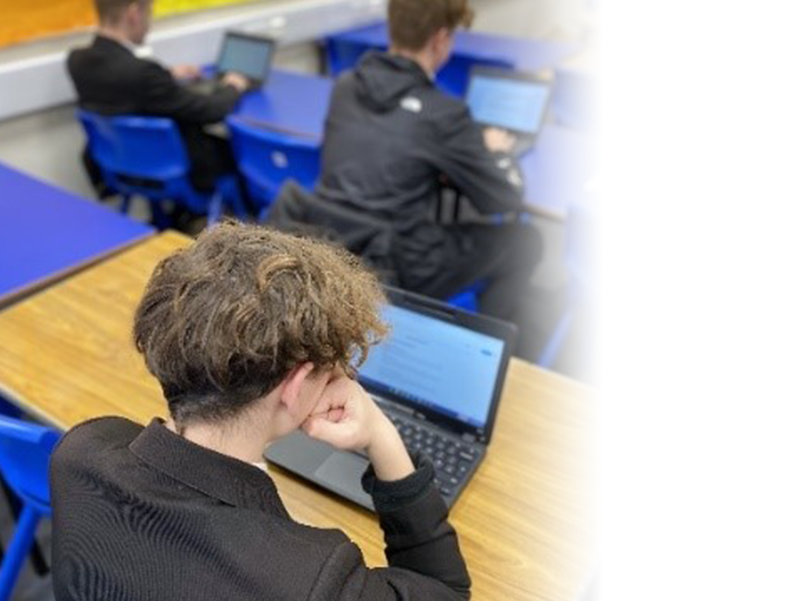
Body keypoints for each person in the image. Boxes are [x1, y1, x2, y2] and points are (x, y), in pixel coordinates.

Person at [50, 222, 471, 601]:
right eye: (331, 371)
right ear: (293, 386)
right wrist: (381, 434)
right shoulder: (312, 579)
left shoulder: (82, 451)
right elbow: (446, 592)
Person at [315, 0, 542, 334]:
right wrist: (497, 152)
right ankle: (489, 347)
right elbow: (503, 198)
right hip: (396, 266)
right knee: (526, 241)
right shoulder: (444, 114)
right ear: (440, 39)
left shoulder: (345, 86)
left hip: (332, 244)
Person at [67, 0, 249, 199]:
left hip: (120, 162)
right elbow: (210, 111)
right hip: (175, 168)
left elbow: (123, 85)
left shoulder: (77, 61)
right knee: (240, 150)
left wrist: (166, 74)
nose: (149, 23)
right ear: (134, 12)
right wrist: (233, 86)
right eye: (149, 13)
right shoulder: (144, 73)